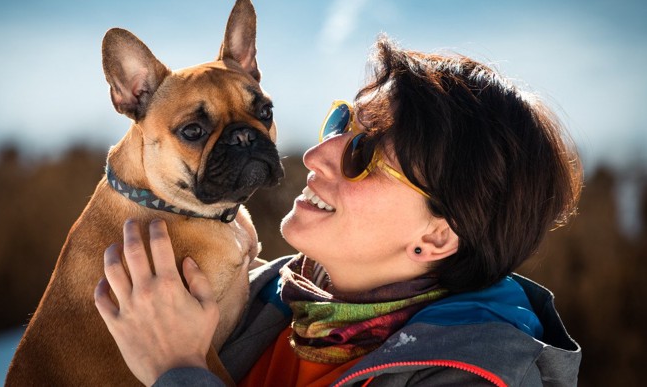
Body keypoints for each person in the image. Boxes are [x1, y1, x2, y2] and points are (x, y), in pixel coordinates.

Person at [94, 36, 583, 386]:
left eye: (362, 154)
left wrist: (180, 371)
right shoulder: (258, 299)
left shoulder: (473, 375)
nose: (314, 154)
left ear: (435, 237)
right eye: (339, 123)